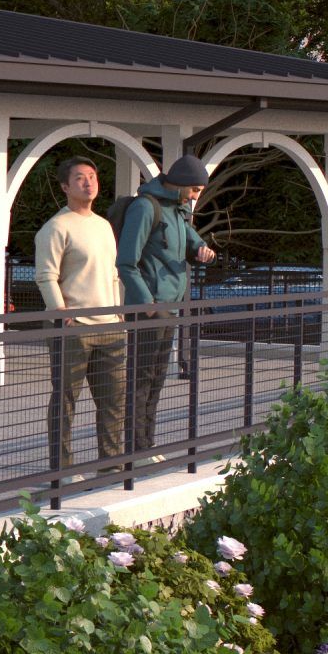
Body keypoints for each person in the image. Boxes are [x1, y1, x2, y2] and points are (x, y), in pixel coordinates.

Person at [117, 154, 217, 460]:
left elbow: (193, 242)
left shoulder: (179, 210)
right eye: (196, 189)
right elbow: (126, 262)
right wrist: (147, 303)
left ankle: (147, 445)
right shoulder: (146, 207)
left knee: (157, 377)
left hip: (170, 306)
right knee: (141, 378)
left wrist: (203, 252)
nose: (197, 196)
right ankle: (135, 448)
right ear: (183, 182)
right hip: (149, 308)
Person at [35, 159, 125, 474]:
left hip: (110, 326)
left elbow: (113, 274)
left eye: (92, 176)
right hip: (74, 330)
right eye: (80, 178)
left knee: (114, 403)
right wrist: (59, 311)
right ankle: (62, 470)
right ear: (65, 187)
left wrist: (118, 311)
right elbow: (45, 275)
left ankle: (111, 466)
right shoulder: (56, 228)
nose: (88, 183)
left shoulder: (103, 225)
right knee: (65, 402)